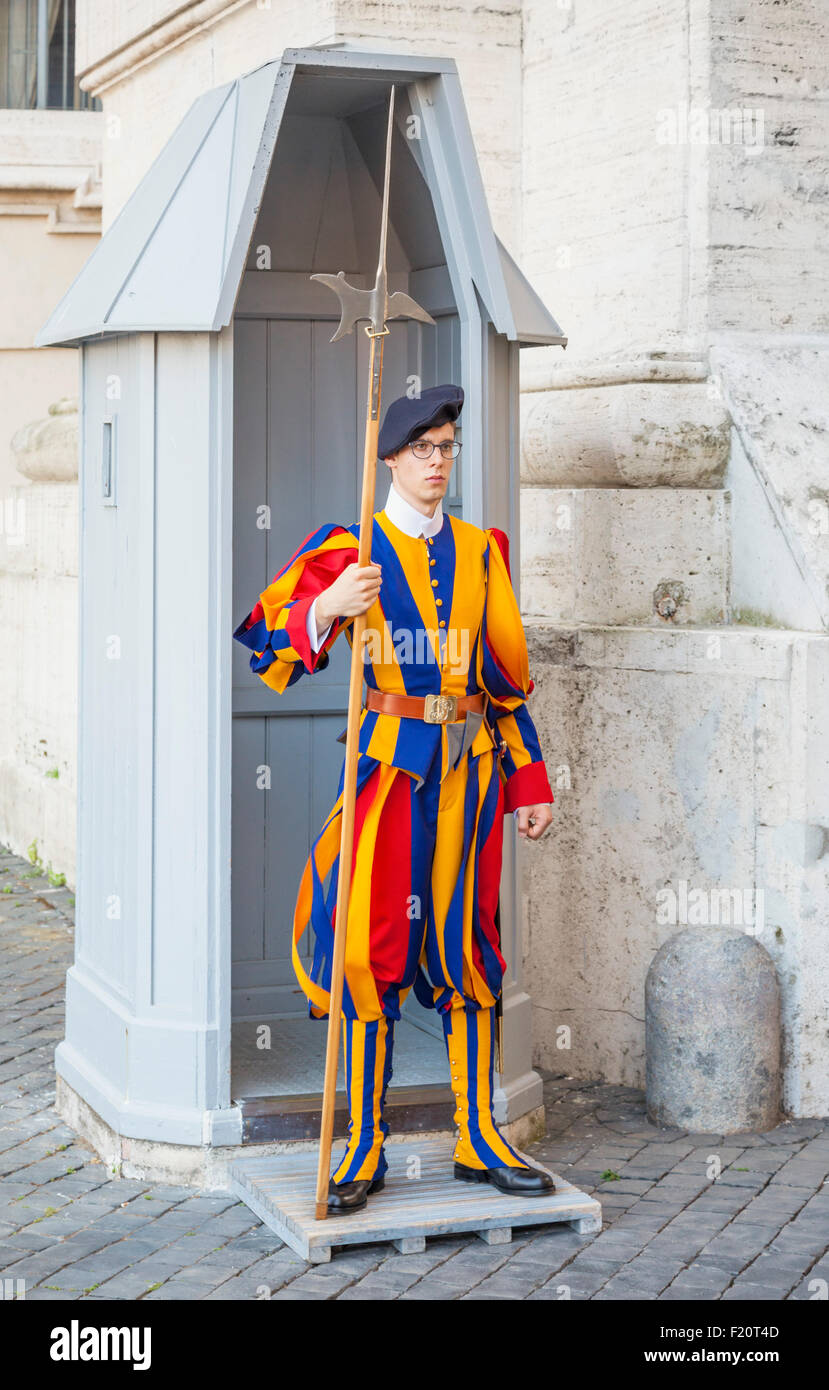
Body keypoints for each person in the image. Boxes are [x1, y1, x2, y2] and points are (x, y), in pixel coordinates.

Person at [234, 384, 555, 1213]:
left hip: (472, 775)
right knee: (370, 951)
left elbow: (507, 684)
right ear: (390, 459)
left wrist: (528, 782)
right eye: (423, 450)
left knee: (468, 947)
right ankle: (363, 1146)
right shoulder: (352, 543)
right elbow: (267, 647)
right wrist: (324, 608)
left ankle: (478, 1138)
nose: (438, 463)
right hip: (388, 777)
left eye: (448, 448)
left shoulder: (484, 551)